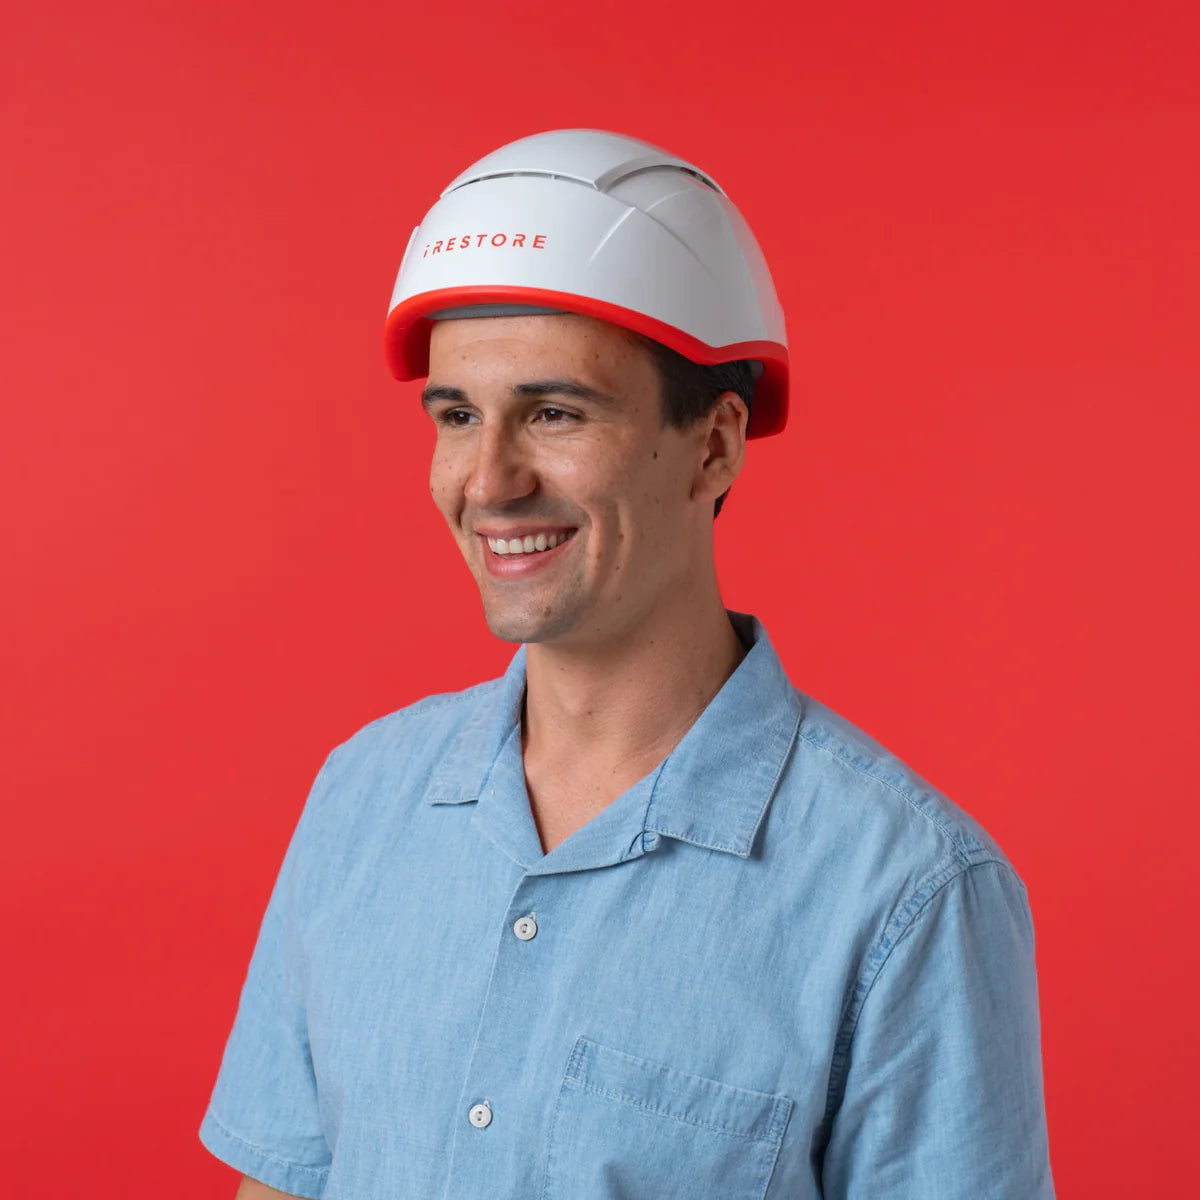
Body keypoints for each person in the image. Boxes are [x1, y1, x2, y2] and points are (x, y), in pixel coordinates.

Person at [199, 128, 1056, 1199]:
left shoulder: (907, 894)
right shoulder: (361, 799)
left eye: (555, 413)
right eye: (457, 416)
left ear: (716, 445)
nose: (488, 481)